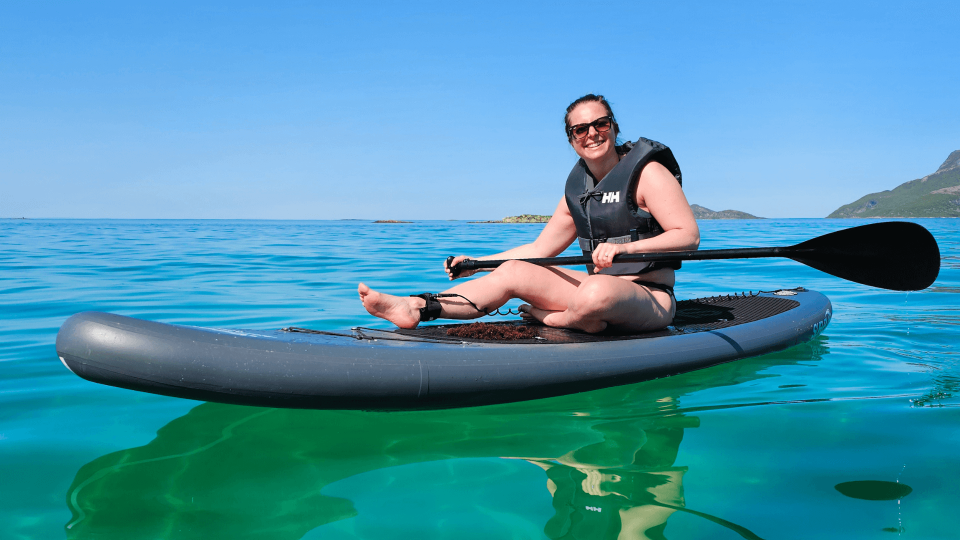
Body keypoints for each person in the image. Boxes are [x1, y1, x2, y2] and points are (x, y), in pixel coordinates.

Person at [359, 94, 700, 333]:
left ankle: (554, 319)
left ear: (613, 126)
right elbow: (539, 251)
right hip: (590, 289)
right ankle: (418, 307)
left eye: (601, 124)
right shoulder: (577, 192)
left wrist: (625, 249)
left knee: (597, 293)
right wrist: (479, 262)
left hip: (648, 296)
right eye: (580, 129)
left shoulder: (649, 173)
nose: (592, 133)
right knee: (514, 273)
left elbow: (688, 236)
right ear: (571, 140)